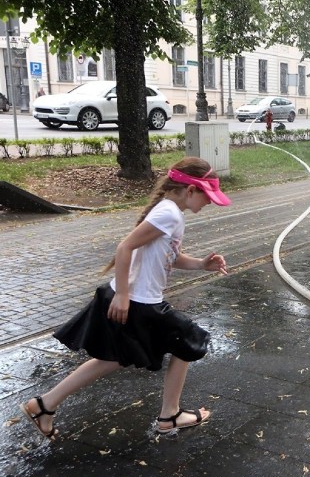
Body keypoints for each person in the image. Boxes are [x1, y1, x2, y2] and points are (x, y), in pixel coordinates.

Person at [19, 157, 231, 441]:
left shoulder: (169, 211)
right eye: (208, 196)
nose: (210, 203)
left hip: (134, 298)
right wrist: (123, 294)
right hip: (137, 301)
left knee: (112, 359)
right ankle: (169, 415)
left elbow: (170, 256)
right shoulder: (169, 213)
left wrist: (200, 265)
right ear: (191, 190)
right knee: (189, 340)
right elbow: (126, 246)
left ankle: (43, 405)